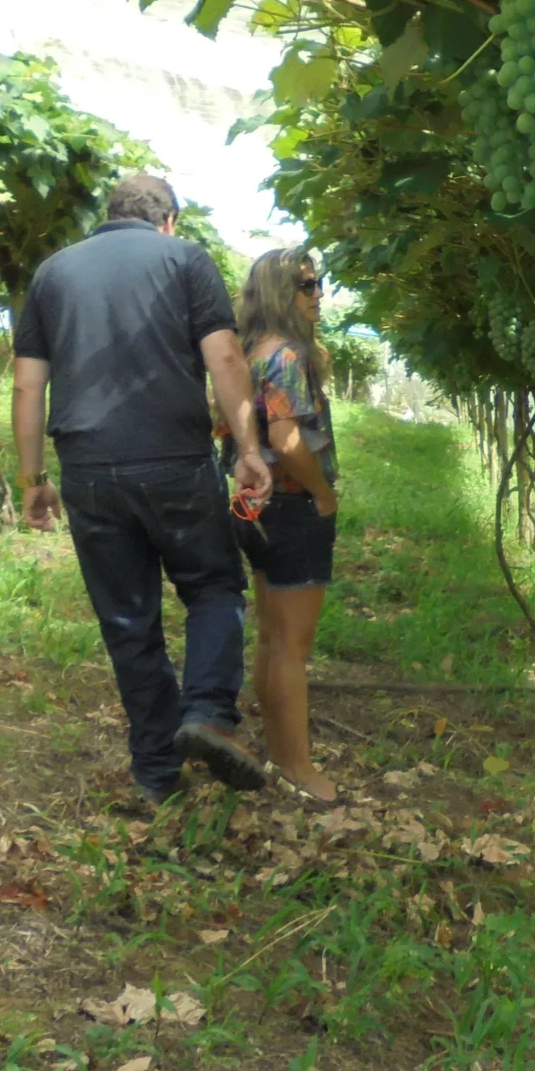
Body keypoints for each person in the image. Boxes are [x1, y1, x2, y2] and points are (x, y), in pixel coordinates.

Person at [12, 173, 274, 804]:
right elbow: (228, 360)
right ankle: (208, 713)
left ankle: (157, 777)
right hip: (174, 461)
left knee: (128, 622)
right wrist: (248, 450)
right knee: (213, 586)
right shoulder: (184, 259)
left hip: (89, 472)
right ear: (169, 221)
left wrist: (33, 481)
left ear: (110, 215)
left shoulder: (52, 273)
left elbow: (26, 385)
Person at [226, 249, 340, 799]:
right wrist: (323, 493)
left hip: (255, 508)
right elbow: (286, 440)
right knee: (292, 648)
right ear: (282, 294)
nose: (318, 295)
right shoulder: (288, 358)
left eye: (318, 284)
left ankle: (278, 756)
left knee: (272, 640)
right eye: (308, 286)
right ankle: (300, 770)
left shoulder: (245, 355)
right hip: (293, 506)